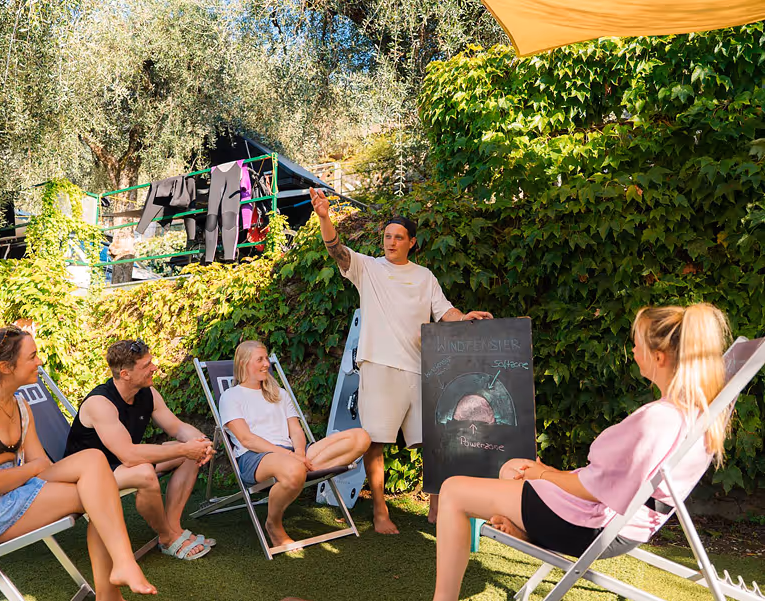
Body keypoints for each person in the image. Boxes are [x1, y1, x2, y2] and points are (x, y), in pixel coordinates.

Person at [432, 303, 733, 601]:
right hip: (616, 523)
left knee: (453, 491)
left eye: (637, 345)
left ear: (659, 356)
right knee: (510, 469)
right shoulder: (696, 413)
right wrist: (543, 474)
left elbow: (592, 490)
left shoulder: (658, 420)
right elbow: (606, 482)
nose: (633, 352)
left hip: (587, 525)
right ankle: (529, 530)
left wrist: (544, 474)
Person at [309, 188, 493, 534]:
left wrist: (464, 316)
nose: (390, 242)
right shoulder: (368, 268)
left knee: (433, 441)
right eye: (387, 236)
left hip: (417, 369)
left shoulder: (424, 276)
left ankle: (438, 508)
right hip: (378, 367)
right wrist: (324, 217)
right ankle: (380, 513)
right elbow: (336, 250)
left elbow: (445, 312)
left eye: (398, 237)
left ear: (412, 243)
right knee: (375, 441)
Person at [0, 326, 156, 601]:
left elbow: (43, 465)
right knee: (98, 494)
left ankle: (120, 571)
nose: (40, 361)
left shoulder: (19, 405)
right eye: (32, 356)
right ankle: (111, 592)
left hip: (11, 486)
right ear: (5, 367)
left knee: (95, 464)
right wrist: (26, 466)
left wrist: (16, 464)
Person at [64, 339, 217, 561]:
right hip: (88, 475)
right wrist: (185, 449)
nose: (154, 367)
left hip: (122, 466)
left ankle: (173, 528)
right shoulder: (100, 403)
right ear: (125, 374)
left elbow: (177, 427)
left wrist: (201, 443)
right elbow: (128, 454)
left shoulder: (148, 393)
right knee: (145, 472)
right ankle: (166, 537)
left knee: (189, 455)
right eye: (146, 366)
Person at [219, 340, 371, 547]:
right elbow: (247, 439)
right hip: (256, 457)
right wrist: (290, 457)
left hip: (293, 454)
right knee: (293, 467)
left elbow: (296, 430)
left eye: (266, 358)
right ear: (244, 363)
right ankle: (273, 524)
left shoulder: (279, 393)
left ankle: (302, 470)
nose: (267, 364)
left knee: (361, 438)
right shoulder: (231, 396)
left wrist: (299, 452)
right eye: (260, 360)